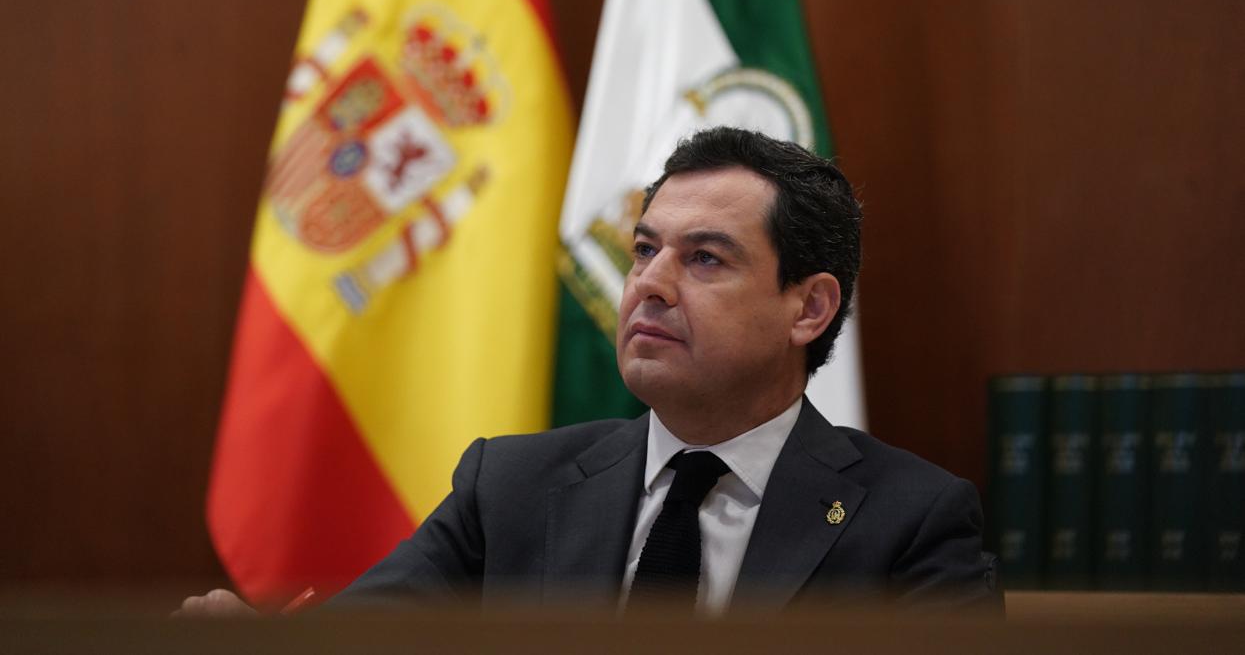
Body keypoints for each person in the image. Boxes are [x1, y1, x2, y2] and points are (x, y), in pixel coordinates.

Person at [177, 127, 995, 617]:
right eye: (643, 250)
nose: (647, 283)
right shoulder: (507, 488)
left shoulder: (913, 522)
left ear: (807, 308)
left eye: (703, 258)